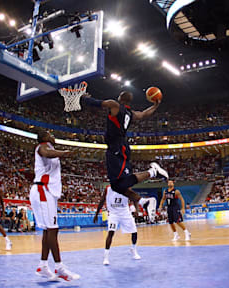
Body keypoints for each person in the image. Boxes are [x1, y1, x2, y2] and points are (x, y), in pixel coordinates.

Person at [81, 91, 168, 204]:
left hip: (117, 146)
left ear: (120, 98)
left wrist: (85, 98)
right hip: (118, 146)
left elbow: (97, 103)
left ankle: (153, 172)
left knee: (121, 183)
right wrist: (155, 106)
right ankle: (143, 202)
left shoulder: (115, 105)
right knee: (116, 186)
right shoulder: (130, 113)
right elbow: (143, 114)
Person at [30, 131, 79, 282]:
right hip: (43, 190)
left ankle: (43, 265)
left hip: (45, 191)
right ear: (44, 137)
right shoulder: (42, 147)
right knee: (52, 229)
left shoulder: (50, 148)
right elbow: (46, 152)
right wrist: (65, 153)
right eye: (50, 134)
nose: (53, 136)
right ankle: (60, 268)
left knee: (48, 230)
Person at [94, 185, 141, 265]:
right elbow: (102, 200)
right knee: (111, 233)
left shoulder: (127, 187)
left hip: (125, 213)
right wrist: (97, 213)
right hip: (113, 213)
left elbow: (135, 199)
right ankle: (106, 257)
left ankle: (133, 249)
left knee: (134, 232)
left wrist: (137, 209)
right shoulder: (108, 188)